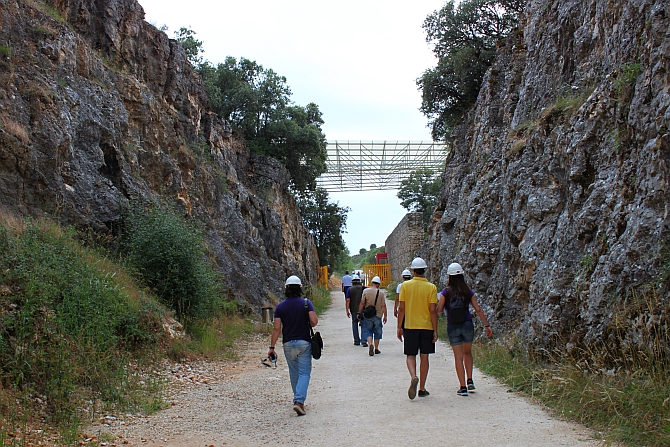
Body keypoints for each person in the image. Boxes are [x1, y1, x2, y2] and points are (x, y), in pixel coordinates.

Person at [437, 263, 492, 396]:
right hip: (467, 324)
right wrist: (487, 325)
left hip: (453, 326)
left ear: (449, 276)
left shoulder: (446, 292)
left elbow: (439, 310)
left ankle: (462, 387)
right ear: (461, 275)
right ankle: (470, 380)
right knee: (467, 353)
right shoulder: (468, 291)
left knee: (458, 357)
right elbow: (478, 309)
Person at [268, 275, 319, 415]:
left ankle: (297, 399)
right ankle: (299, 401)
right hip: (304, 342)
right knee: (304, 372)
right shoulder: (306, 303)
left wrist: (272, 348)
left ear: (286, 289)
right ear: (300, 288)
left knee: (294, 372)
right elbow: (314, 322)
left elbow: (277, 329)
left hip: (288, 343)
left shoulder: (280, 307)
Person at [396, 257, 437, 399]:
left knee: (410, 355)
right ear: (425, 270)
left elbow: (402, 308)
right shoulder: (431, 287)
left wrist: (399, 327)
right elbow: (433, 310)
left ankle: (414, 376)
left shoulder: (405, 286)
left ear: (413, 271)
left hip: (410, 326)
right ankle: (422, 388)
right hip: (426, 326)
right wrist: (435, 330)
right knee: (424, 357)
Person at [358, 275, 387, 356]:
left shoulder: (366, 291)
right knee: (377, 331)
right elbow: (383, 305)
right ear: (378, 284)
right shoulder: (381, 293)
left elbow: (362, 303)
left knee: (368, 330)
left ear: (372, 283)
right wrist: (385, 316)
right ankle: (376, 348)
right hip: (378, 315)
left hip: (368, 315)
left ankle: (370, 344)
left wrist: (359, 313)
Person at [345, 275, 364, 346]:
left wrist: (347, 310)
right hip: (363, 309)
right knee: (363, 324)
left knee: (354, 324)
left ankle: (356, 340)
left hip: (353, 309)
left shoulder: (349, 289)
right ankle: (364, 339)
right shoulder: (363, 288)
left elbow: (348, 300)